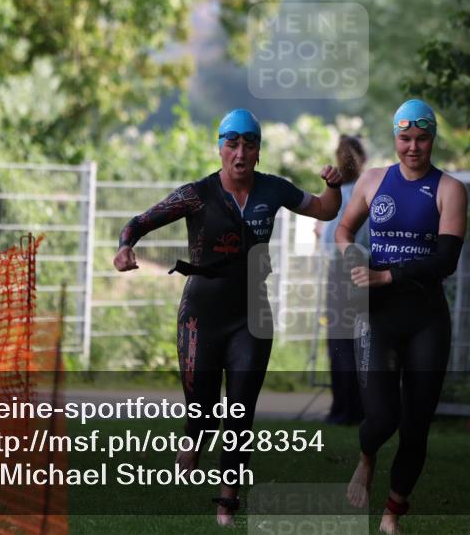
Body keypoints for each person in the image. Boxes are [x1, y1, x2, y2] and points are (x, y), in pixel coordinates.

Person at [113, 109, 343, 526]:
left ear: (257, 152)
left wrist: (334, 187)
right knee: (202, 403)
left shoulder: (274, 190)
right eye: (231, 143)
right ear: (220, 148)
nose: (239, 152)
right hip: (200, 314)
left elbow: (326, 210)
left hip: (252, 314)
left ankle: (226, 502)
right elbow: (139, 222)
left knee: (240, 410)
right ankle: (195, 434)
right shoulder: (197, 194)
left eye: (248, 144)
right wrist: (125, 247)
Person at [334, 99, 467, 535]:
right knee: (381, 418)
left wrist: (386, 274)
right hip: (379, 318)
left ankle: (394, 508)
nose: (413, 147)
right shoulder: (373, 182)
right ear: (395, 138)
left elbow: (446, 259)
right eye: (405, 138)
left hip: (427, 318)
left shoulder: (450, 189)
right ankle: (367, 457)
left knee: (415, 424)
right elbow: (344, 228)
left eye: (422, 138)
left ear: (433, 139)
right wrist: (350, 257)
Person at [316, 136, 369, 425]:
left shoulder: (338, 194)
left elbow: (328, 241)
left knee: (339, 342)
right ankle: (361, 408)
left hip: (340, 271)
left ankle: (342, 410)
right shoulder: (369, 191)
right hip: (366, 270)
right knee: (363, 341)